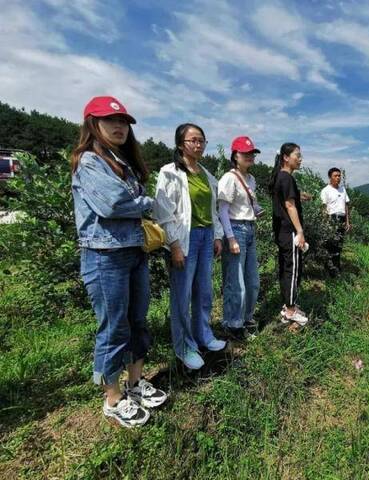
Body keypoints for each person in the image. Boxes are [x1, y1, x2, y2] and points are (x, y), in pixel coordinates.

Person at [71, 96, 167, 428]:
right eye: (111, 120)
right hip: (104, 255)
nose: (119, 126)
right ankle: (112, 398)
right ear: (91, 125)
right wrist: (146, 201)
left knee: (138, 320)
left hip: (134, 250)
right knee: (113, 327)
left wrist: (136, 200)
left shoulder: (120, 162)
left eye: (124, 121)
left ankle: (135, 383)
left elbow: (125, 200)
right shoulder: (88, 162)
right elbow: (112, 204)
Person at [154, 123, 226, 371]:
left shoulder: (207, 175)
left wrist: (217, 236)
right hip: (184, 238)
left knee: (204, 290)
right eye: (193, 140)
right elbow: (163, 212)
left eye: (201, 140)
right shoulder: (170, 173)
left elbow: (212, 210)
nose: (198, 145)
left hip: (205, 237)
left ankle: (204, 335)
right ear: (180, 144)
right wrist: (173, 244)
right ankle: (184, 346)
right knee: (182, 295)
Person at [217, 136, 262, 340]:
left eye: (252, 153)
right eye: (245, 153)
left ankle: (246, 318)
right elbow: (223, 211)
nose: (250, 156)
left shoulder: (251, 179)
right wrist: (231, 238)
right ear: (235, 155)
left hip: (250, 228)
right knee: (236, 282)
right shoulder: (229, 178)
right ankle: (232, 325)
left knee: (253, 282)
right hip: (236, 229)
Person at [268, 143, 309, 326]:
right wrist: (300, 231)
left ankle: (287, 306)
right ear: (286, 157)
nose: (300, 159)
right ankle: (291, 310)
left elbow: (286, 198)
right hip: (289, 230)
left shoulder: (279, 176)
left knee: (285, 268)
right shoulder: (287, 178)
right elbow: (289, 205)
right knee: (293, 270)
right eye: (297, 155)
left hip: (280, 230)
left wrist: (299, 195)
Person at [320, 167, 351, 276]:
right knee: (330, 245)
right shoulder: (325, 190)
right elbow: (323, 208)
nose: (338, 178)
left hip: (341, 219)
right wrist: (325, 223)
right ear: (330, 177)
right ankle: (329, 269)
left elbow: (346, 206)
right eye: (335, 176)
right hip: (331, 219)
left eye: (339, 176)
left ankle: (337, 268)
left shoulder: (343, 190)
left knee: (339, 244)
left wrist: (347, 222)